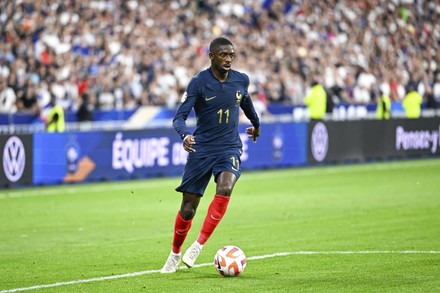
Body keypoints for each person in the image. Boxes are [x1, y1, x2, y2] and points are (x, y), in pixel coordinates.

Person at [160, 37, 260, 274]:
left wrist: (256, 124)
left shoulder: (241, 80)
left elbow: (246, 104)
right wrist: (185, 135)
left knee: (225, 187)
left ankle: (198, 245)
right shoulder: (198, 83)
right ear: (212, 56)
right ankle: (175, 253)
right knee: (188, 209)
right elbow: (179, 117)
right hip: (202, 149)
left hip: (229, 147)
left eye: (232, 55)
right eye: (224, 55)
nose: (228, 59)